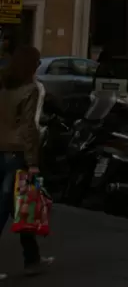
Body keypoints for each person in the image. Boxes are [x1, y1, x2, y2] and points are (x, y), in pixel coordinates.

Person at [0, 46, 53, 275]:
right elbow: (28, 127)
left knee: (22, 206)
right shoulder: (30, 88)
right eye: (38, 61)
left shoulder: (3, 85)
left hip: (1, 150)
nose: (40, 65)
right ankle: (32, 260)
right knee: (6, 207)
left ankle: (32, 258)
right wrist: (32, 161)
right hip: (16, 153)